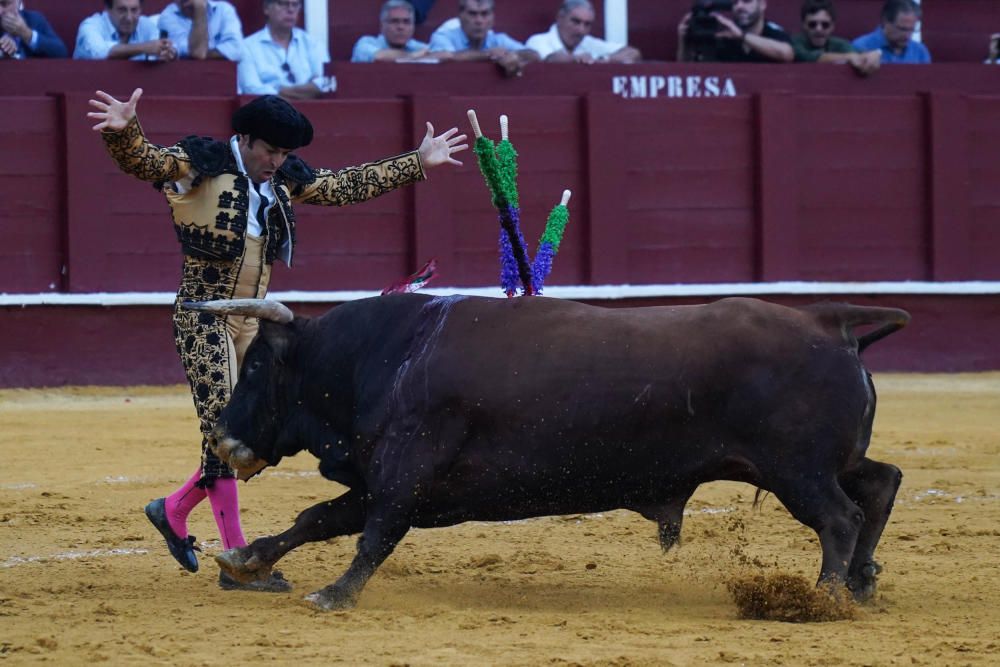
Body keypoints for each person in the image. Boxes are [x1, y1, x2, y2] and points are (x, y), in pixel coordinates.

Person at [87, 87, 467, 589]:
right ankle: (238, 564)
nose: (279, 161)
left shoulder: (284, 177)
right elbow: (146, 161)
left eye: (286, 153)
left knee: (256, 436)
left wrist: (414, 163)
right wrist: (124, 133)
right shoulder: (202, 161)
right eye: (271, 150)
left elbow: (341, 185)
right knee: (226, 437)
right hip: (204, 318)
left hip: (252, 323)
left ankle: (174, 508)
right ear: (244, 138)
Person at [238, 0, 331, 98]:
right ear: (266, 8)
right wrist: (307, 91)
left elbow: (326, 83)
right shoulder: (247, 47)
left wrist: (279, 90)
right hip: (269, 112)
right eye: (282, 3)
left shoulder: (312, 44)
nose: (290, 10)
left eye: (295, 5)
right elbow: (251, 89)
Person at [428, 0, 539, 78]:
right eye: (473, 14)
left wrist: (512, 55)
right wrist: (489, 55)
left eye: (485, 14)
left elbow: (534, 54)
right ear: (460, 16)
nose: (479, 21)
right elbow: (443, 57)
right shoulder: (443, 36)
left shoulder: (498, 39)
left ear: (492, 17)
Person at [525, 0, 640, 64]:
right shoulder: (538, 41)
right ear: (560, 18)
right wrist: (578, 60)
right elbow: (550, 60)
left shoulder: (589, 43)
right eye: (575, 22)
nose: (581, 30)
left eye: (587, 24)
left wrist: (603, 60)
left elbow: (633, 53)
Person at [677, 0, 793, 63]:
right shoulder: (724, 34)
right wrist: (683, 41)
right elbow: (687, 73)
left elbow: (786, 54)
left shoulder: (772, 31)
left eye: (747, 1)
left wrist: (742, 36)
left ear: (762, 4)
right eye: (735, 2)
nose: (740, 6)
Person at [792, 0, 880, 76]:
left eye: (825, 25)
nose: (818, 29)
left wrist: (871, 57)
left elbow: (858, 56)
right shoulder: (795, 42)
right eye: (812, 24)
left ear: (832, 26)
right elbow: (809, 58)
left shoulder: (838, 44)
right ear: (804, 25)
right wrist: (849, 57)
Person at [351, 0, 451, 63]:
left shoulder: (415, 46)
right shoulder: (366, 43)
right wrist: (412, 56)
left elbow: (444, 55)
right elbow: (379, 57)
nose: (400, 27)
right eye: (394, 21)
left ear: (413, 27)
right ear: (382, 26)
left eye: (406, 22)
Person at [74, 0, 177, 61]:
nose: (129, 18)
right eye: (122, 10)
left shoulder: (146, 25)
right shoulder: (90, 26)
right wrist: (144, 48)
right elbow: (99, 53)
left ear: (140, 9)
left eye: (134, 10)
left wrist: (168, 52)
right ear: (108, 9)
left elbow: (160, 50)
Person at [158, 0, 243, 61]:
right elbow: (197, 53)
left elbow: (236, 49)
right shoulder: (168, 16)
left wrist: (201, 52)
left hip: (223, 78)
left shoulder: (224, 10)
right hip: (187, 78)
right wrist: (200, 9)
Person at [852, 0, 930, 64]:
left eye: (912, 30)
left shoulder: (920, 52)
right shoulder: (861, 46)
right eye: (902, 29)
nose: (907, 36)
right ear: (886, 22)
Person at [0, 0, 67, 59]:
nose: (0, 11)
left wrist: (27, 34)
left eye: (4, 4)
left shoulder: (34, 20)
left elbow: (61, 53)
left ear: (19, 2)